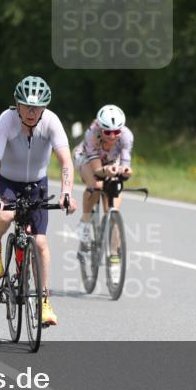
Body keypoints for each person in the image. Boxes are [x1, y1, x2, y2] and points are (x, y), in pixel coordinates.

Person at [0, 76, 75, 327]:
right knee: (4, 214)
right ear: (18, 105)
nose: (32, 112)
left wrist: (67, 192)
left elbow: (66, 161)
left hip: (37, 185)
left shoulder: (51, 121)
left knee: (41, 242)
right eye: (26, 106)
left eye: (37, 107)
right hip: (8, 182)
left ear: (44, 107)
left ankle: (44, 301)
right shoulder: (6, 120)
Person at [73, 105, 134, 281]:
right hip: (87, 159)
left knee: (113, 210)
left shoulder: (127, 136)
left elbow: (125, 162)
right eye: (108, 132)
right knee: (97, 184)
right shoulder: (92, 134)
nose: (113, 136)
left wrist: (125, 171)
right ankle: (85, 222)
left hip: (111, 163)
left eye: (116, 132)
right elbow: (97, 170)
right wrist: (106, 171)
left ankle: (114, 259)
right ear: (101, 129)